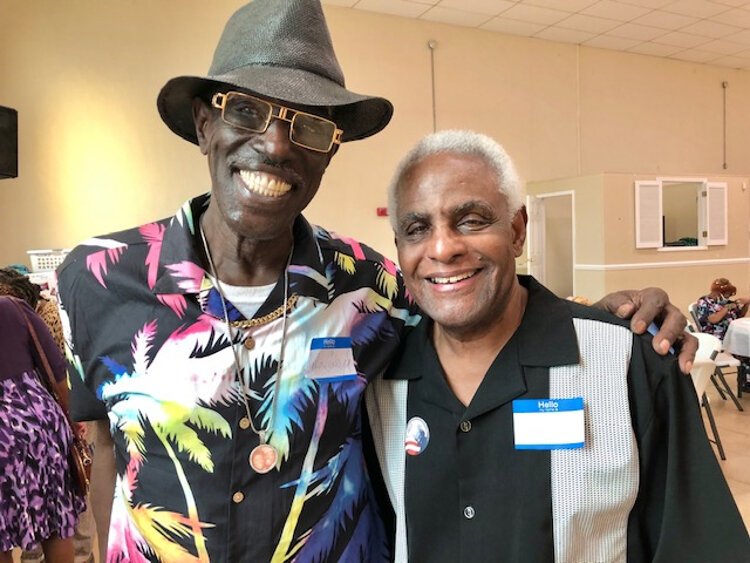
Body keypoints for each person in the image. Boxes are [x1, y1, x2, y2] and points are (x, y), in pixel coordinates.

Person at [55, 2, 696, 561]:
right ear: (203, 124)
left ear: (329, 151)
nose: (277, 146)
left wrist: (612, 321)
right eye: (246, 111)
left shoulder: (372, 285)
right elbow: (106, 445)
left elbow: (476, 308)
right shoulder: (97, 278)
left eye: (307, 125)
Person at [365, 130, 750, 562]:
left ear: (516, 230)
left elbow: (698, 545)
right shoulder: (377, 380)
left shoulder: (630, 362)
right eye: (417, 229)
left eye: (471, 221)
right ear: (399, 247)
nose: (442, 248)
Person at [0, 268, 97, 563]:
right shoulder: (12, 307)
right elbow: (57, 372)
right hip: (38, 429)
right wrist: (72, 421)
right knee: (56, 523)